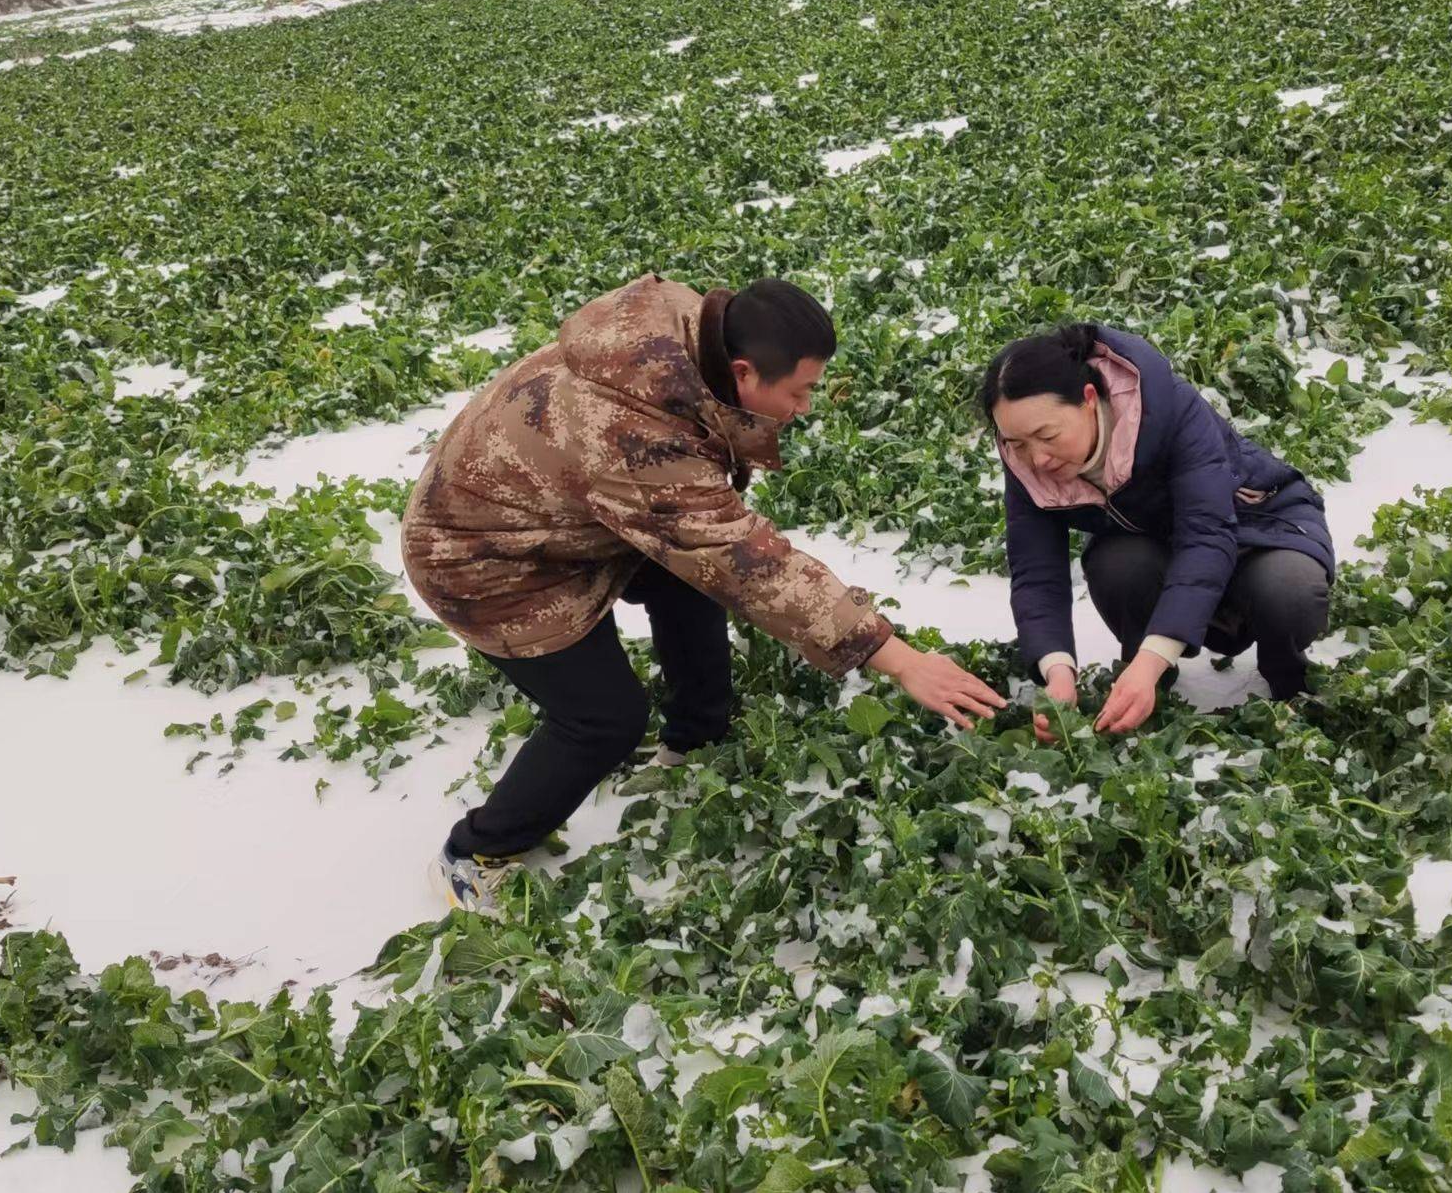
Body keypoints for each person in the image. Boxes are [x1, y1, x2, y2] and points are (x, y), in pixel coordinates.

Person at [403, 274, 1006, 912]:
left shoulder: (686, 337)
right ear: (744, 372)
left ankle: (698, 734)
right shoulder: (638, 437)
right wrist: (901, 659)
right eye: (799, 393)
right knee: (603, 720)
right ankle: (478, 850)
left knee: (693, 578)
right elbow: (753, 565)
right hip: (483, 561)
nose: (805, 409)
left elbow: (710, 552)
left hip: (563, 518)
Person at [983, 323, 1334, 740]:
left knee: (1288, 590)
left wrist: (1153, 658)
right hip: (1160, 543)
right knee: (1117, 565)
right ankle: (1144, 685)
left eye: (1047, 435)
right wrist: (1056, 674)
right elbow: (1036, 571)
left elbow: (1207, 536)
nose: (1035, 458)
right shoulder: (1025, 459)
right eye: (1016, 443)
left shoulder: (1164, 409)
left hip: (1256, 528)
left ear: (1089, 400)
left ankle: (1289, 688)